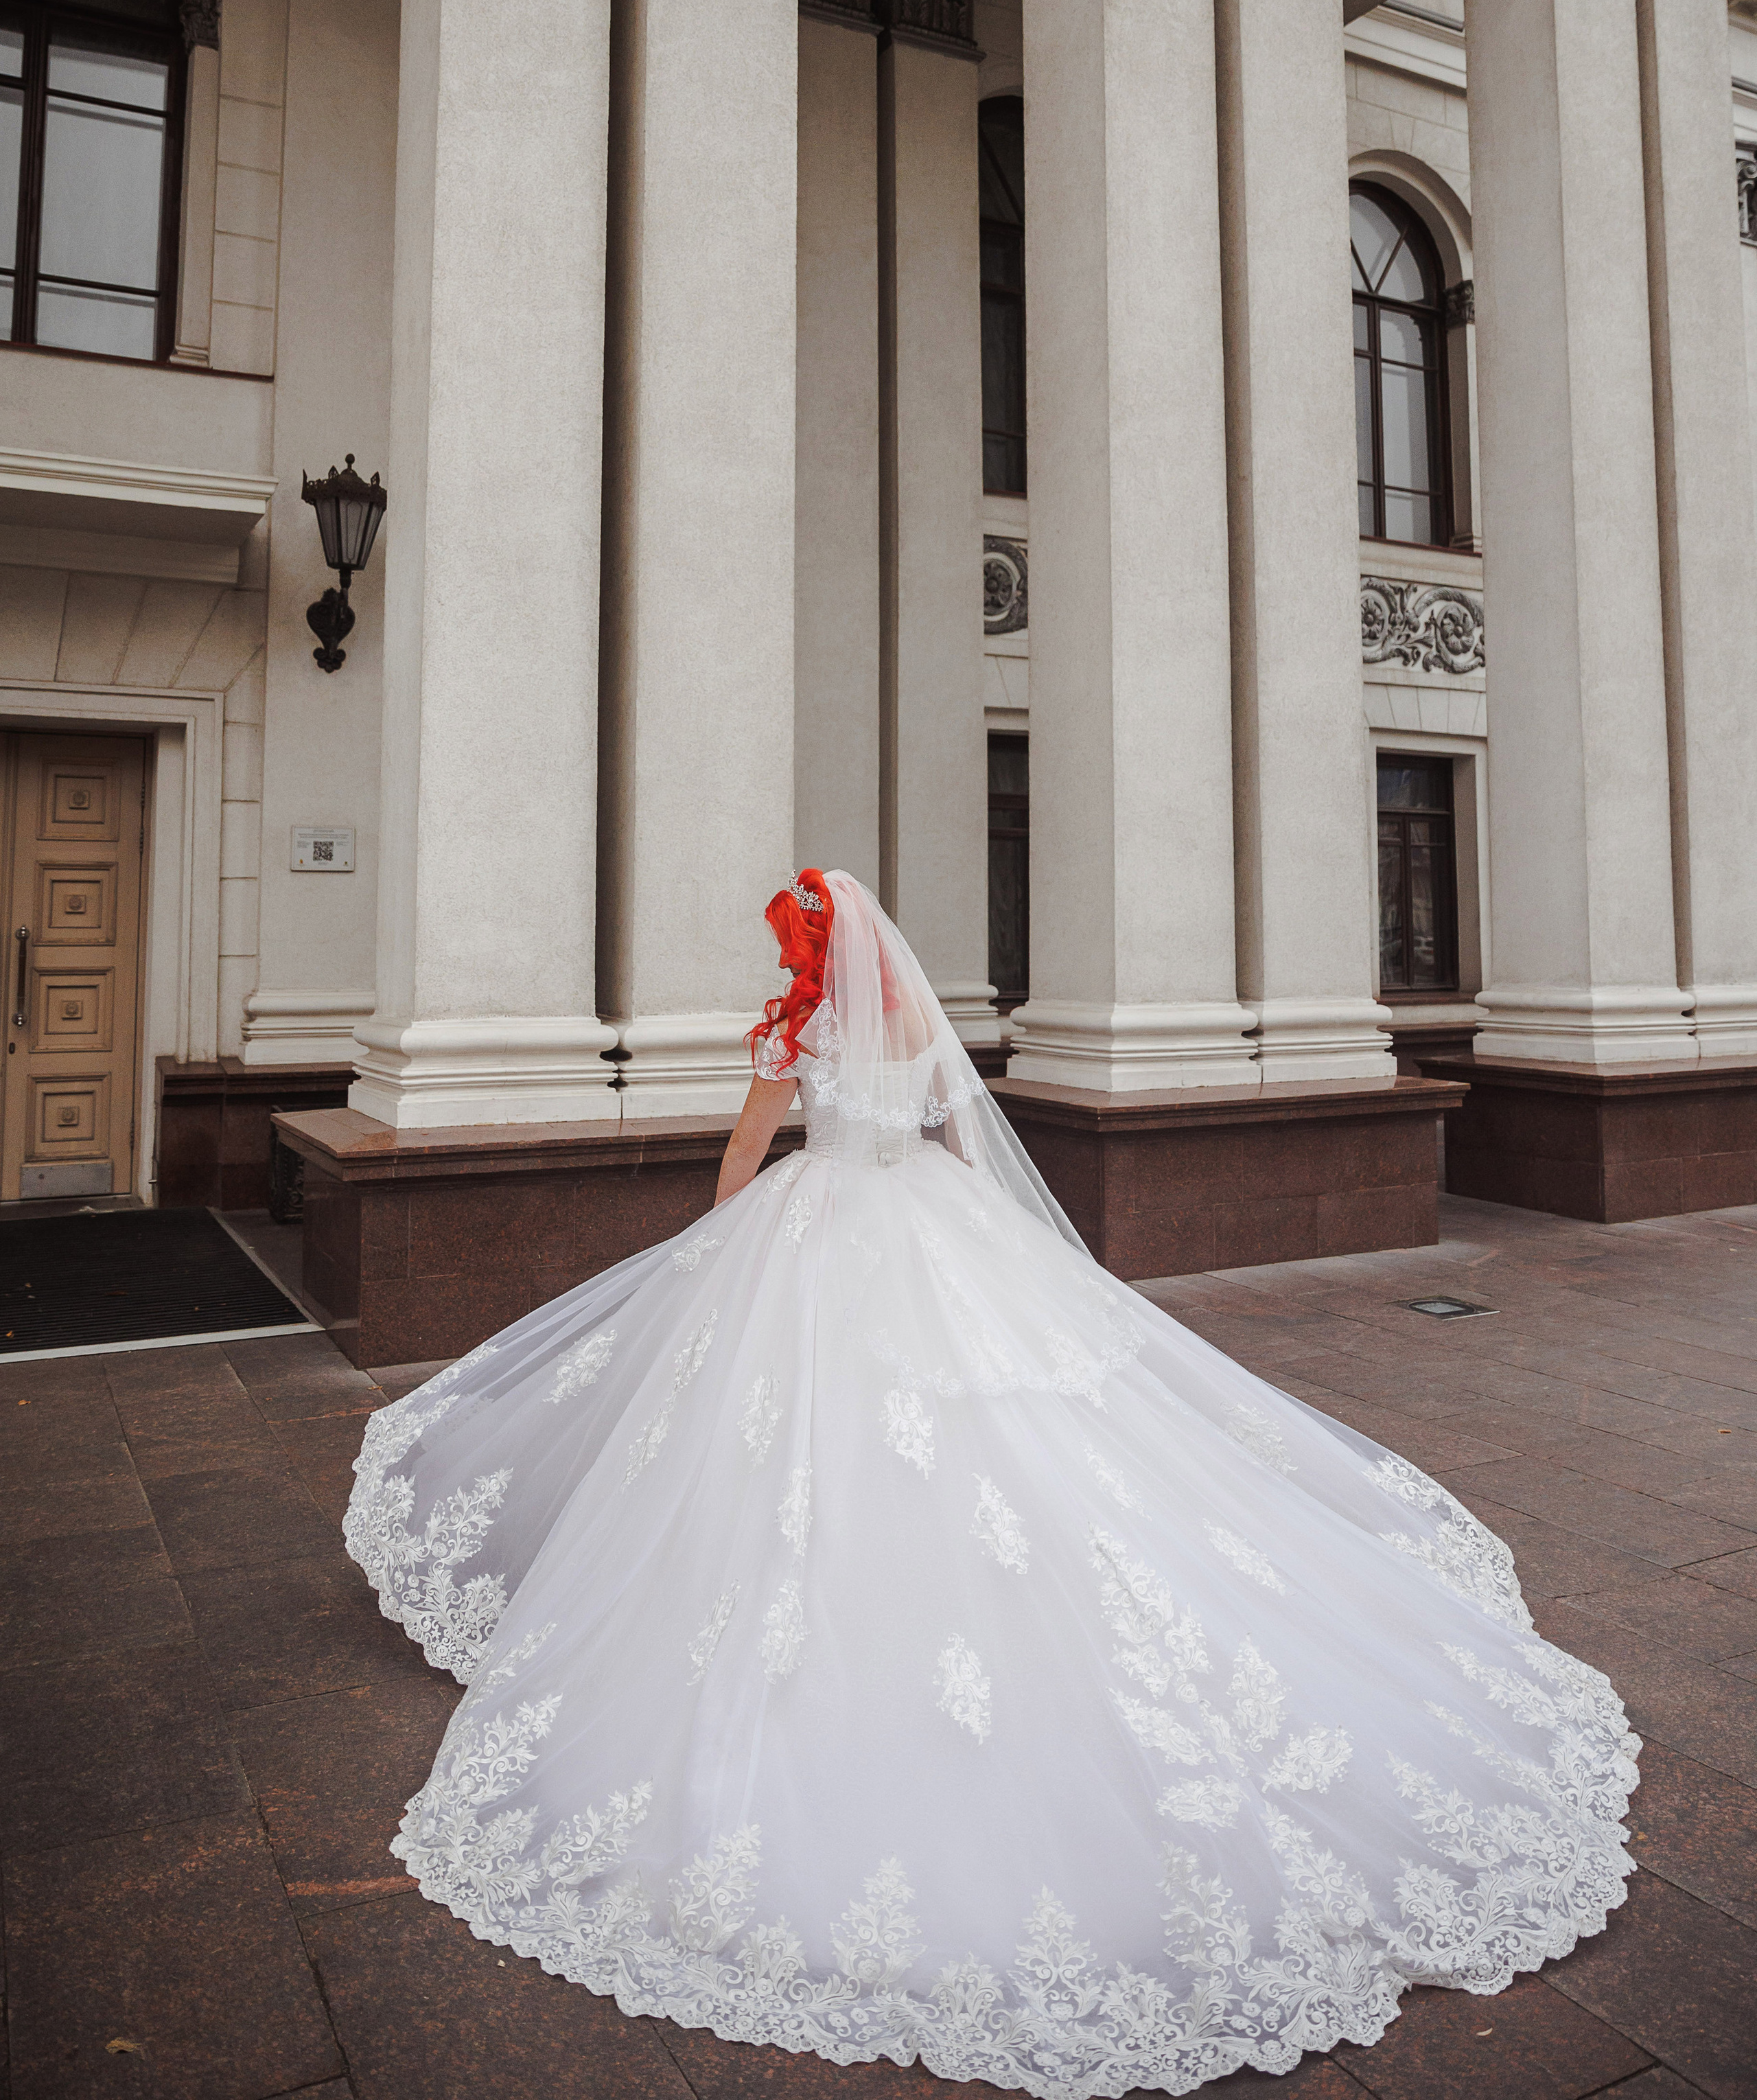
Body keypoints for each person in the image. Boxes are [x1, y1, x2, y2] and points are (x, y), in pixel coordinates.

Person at [343, 868, 1637, 2099]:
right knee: (1003, 1442)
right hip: (932, 1231)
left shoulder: (795, 1031)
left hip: (818, 1233)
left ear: (809, 952)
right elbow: (967, 1153)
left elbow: (743, 1161)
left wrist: (716, 1256)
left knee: (794, 1447)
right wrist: (979, 1263)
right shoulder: (920, 1023)